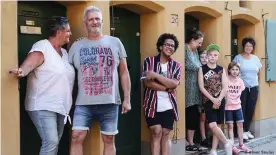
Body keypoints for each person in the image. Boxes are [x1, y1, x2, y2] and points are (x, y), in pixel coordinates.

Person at [69, 6, 131, 155]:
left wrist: (127, 99)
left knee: (109, 139)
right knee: (76, 136)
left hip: (109, 102)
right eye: (91, 19)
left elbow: (124, 72)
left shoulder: (115, 42)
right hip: (83, 103)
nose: (94, 22)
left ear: (102, 21)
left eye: (97, 19)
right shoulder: (76, 46)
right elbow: (66, 74)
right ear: (85, 23)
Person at [9, 16, 75, 155]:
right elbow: (30, 64)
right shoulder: (43, 46)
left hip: (61, 107)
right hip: (42, 105)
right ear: (59, 32)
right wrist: (22, 71)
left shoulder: (64, 52)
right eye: (68, 31)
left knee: (54, 143)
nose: (70, 34)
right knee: (51, 142)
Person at [142, 33, 181, 155]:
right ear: (160, 47)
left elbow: (174, 84)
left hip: (169, 105)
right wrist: (165, 88)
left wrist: (155, 75)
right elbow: (147, 83)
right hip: (151, 104)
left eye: (172, 46)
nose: (170, 47)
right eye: (167, 45)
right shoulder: (149, 61)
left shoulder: (176, 65)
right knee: (156, 131)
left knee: (165, 134)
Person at [198, 44, 233, 155]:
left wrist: (219, 99)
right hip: (208, 100)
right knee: (211, 125)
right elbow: (201, 87)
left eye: (215, 55)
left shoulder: (221, 69)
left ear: (218, 57)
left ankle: (213, 150)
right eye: (210, 55)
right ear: (207, 56)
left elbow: (225, 86)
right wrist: (213, 99)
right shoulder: (202, 69)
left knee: (217, 126)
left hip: (220, 100)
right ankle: (227, 142)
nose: (212, 57)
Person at [233, 37, 262, 140]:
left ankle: (246, 130)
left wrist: (256, 84)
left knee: (250, 109)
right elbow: (234, 72)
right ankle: (241, 130)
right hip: (242, 88)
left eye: (251, 46)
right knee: (241, 108)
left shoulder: (255, 58)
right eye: (247, 45)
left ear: (253, 47)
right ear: (243, 46)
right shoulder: (238, 58)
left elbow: (259, 73)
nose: (248, 47)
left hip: (253, 87)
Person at [225, 62, 252, 154]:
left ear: (239, 71)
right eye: (232, 69)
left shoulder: (240, 81)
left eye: (237, 69)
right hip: (228, 107)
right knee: (230, 126)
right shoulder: (226, 80)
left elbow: (242, 91)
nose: (235, 71)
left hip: (238, 106)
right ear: (229, 70)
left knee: (240, 124)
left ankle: (241, 144)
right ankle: (232, 146)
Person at [185, 28, 204, 151]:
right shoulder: (184, 50)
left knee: (194, 116)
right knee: (190, 115)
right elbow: (192, 66)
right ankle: (188, 142)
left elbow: (198, 66)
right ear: (192, 40)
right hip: (187, 90)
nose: (200, 45)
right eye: (199, 42)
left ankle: (190, 142)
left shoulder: (195, 51)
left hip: (195, 90)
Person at [198, 50, 211, 147]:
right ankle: (203, 138)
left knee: (209, 119)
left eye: (206, 57)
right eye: (202, 57)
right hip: (201, 97)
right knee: (202, 118)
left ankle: (209, 136)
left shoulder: (212, 68)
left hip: (211, 98)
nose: (204, 59)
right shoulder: (199, 69)